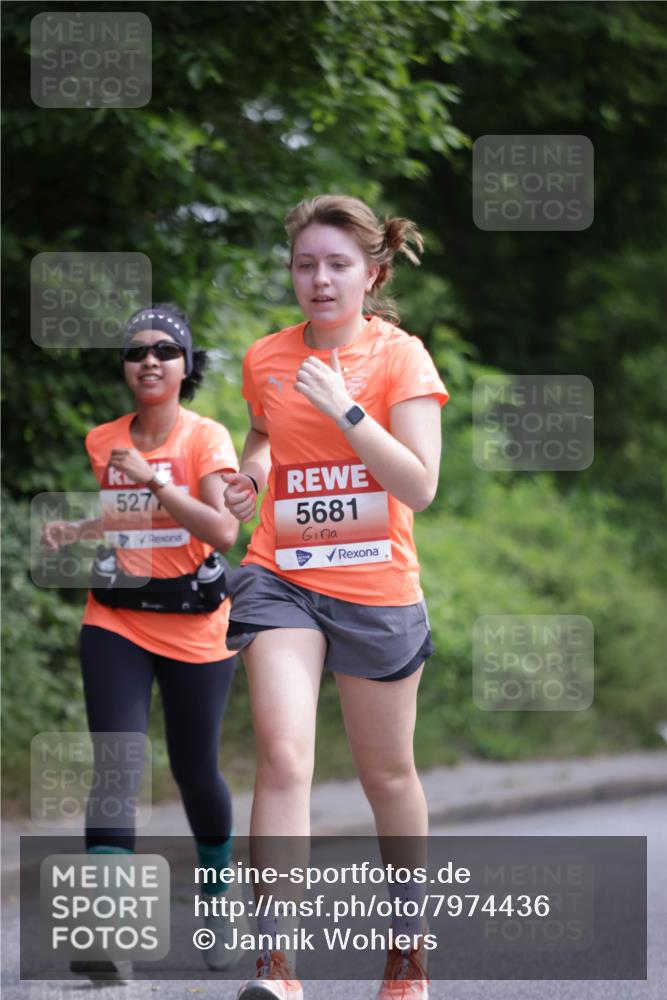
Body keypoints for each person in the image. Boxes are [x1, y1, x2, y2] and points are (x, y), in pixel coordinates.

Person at [222, 196, 449, 1000]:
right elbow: (259, 434)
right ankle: (276, 966)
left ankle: (405, 952)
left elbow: (417, 485)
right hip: (280, 573)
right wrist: (248, 479)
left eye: (336, 264)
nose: (318, 279)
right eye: (305, 264)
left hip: (375, 587)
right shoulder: (266, 357)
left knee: (385, 774)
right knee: (283, 756)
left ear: (372, 273)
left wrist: (345, 408)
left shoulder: (401, 360)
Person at [41, 304, 247, 980]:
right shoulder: (104, 440)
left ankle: (217, 898)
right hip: (117, 618)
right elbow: (124, 515)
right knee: (117, 762)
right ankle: (105, 933)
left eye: (165, 350)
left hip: (193, 624)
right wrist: (76, 529)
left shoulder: (204, 437)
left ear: (186, 367)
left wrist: (156, 477)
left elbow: (221, 533)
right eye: (136, 352)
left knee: (195, 770)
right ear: (126, 368)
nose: (149, 360)